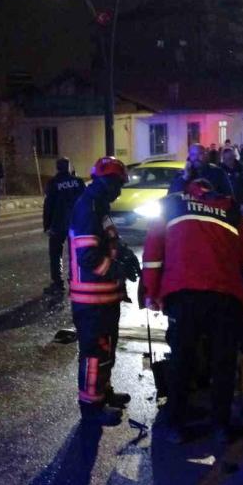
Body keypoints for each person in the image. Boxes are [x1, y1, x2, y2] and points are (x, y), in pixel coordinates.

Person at [141, 178, 243, 443]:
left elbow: (152, 256)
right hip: (225, 296)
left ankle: (175, 423)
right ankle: (220, 426)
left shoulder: (170, 205)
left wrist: (151, 294)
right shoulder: (231, 208)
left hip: (183, 295)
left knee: (181, 359)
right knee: (223, 361)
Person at [69, 157, 140, 425]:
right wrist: (116, 269)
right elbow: (88, 256)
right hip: (91, 298)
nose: (119, 191)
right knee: (94, 353)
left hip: (105, 296)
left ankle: (103, 392)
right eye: (118, 185)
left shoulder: (99, 206)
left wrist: (126, 254)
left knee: (106, 350)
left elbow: (109, 241)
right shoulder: (88, 207)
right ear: (106, 182)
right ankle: (91, 406)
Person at [43, 157, 85, 294]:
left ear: (57, 168)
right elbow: (85, 201)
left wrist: (47, 225)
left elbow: (48, 205)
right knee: (75, 254)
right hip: (77, 223)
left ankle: (57, 283)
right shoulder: (78, 182)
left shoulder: (53, 183)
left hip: (58, 223)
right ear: (69, 167)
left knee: (55, 254)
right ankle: (75, 280)